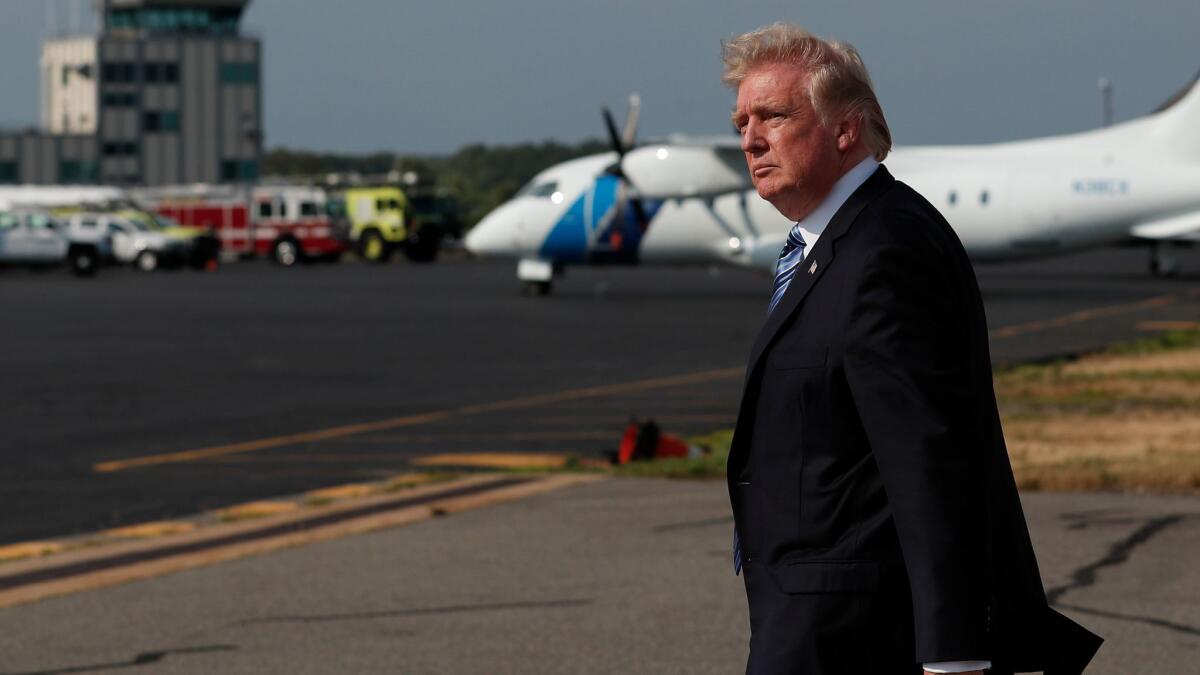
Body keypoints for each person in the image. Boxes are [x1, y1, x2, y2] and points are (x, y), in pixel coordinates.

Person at [722, 23, 1102, 675]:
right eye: (742, 122)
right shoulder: (837, 243)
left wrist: (954, 655)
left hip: (857, 636)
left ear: (847, 130)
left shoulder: (883, 251)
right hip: (816, 618)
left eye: (774, 116)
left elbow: (932, 461)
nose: (751, 139)